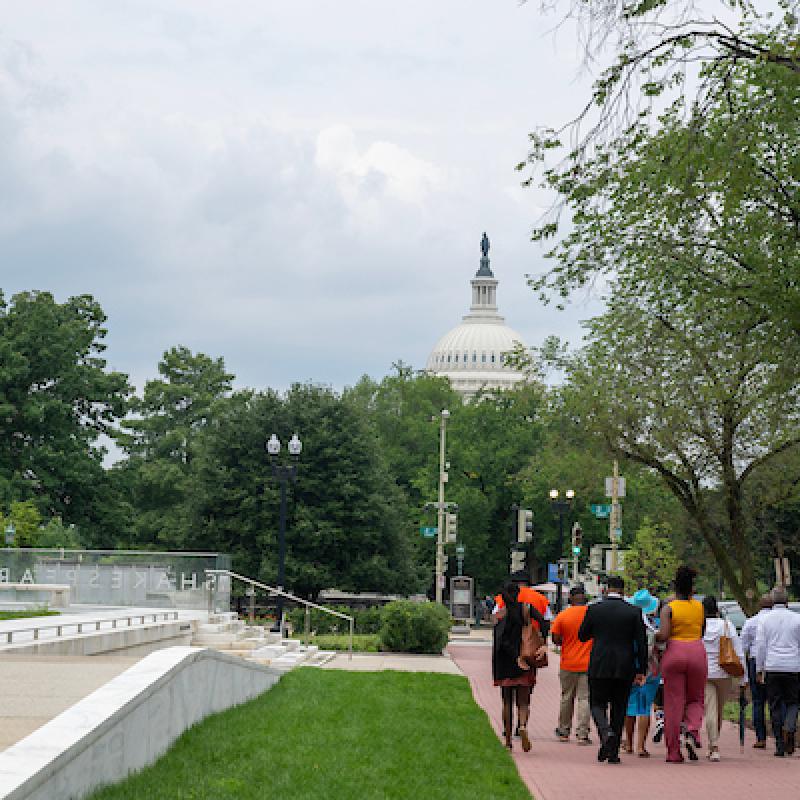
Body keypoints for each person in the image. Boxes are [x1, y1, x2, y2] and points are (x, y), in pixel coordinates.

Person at [578, 575, 647, 764]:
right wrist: (641, 668)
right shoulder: (633, 612)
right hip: (625, 665)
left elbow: (582, 635)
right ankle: (613, 752)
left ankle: (605, 732)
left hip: (600, 663)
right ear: (623, 591)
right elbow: (641, 643)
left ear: (607, 589)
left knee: (597, 703)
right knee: (619, 707)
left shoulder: (594, 609)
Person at [656, 565, 707, 763]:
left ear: (674, 587)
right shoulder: (699, 607)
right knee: (695, 698)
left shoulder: (669, 608)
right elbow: (702, 631)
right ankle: (692, 730)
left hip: (674, 653)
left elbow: (664, 635)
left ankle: (673, 752)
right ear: (692, 588)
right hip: (696, 651)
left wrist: (654, 635)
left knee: (673, 703)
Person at [492, 581, 549, 751]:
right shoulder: (527, 609)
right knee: (523, 701)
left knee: (507, 702)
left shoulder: (500, 615)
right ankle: (522, 725)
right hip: (526, 659)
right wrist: (544, 643)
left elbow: (500, 642)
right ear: (518, 594)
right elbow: (544, 623)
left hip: (506, 663)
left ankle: (508, 740)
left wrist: (513, 656)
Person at [754, 586, 800, 757]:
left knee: (774, 705)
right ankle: (789, 726)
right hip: (793, 666)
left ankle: (780, 745)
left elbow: (760, 646)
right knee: (793, 702)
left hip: (773, 666)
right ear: (787, 601)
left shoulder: (765, 620)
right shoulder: (797, 619)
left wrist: (760, 669)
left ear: (772, 601)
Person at [702, 595, 746, 761]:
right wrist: (743, 678)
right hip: (724, 673)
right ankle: (713, 744)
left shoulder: (699, 627)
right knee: (718, 710)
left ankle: (713, 746)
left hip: (705, 673)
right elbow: (739, 651)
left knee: (710, 709)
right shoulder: (726, 625)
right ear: (717, 609)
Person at [551, 585, 593, 745]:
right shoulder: (591, 615)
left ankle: (563, 730)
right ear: (584, 597)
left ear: (571, 598)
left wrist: (566, 642)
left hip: (568, 662)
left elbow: (555, 638)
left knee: (566, 697)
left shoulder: (563, 615)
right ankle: (582, 734)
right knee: (585, 698)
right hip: (588, 663)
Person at [622, 589, 661, 757]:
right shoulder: (656, 625)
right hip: (652, 669)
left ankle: (629, 743)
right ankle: (641, 746)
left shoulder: (628, 624)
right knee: (644, 707)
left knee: (629, 706)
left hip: (630, 667)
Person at [740, 592, 773, 748]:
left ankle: (761, 737)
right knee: (776, 700)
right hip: (774, 663)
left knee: (758, 701)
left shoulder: (751, 622)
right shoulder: (777, 621)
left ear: (760, 605)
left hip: (755, 662)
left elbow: (743, 646)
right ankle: (780, 735)